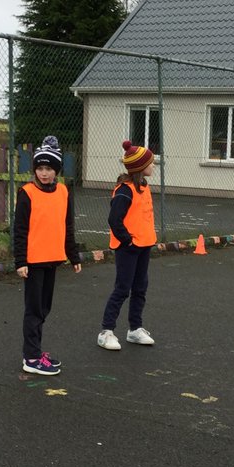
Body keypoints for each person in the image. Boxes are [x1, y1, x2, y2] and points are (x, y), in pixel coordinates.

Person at [13, 135, 82, 375]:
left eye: (49, 168)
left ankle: (36, 350)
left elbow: (67, 226)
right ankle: (30, 357)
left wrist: (74, 256)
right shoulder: (27, 193)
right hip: (32, 262)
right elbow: (20, 230)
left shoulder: (63, 192)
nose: (44, 173)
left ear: (57, 171)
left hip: (53, 259)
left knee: (44, 308)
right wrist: (20, 261)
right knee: (33, 310)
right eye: (40, 168)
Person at [98, 140, 157, 351]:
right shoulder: (125, 190)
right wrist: (127, 240)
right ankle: (106, 331)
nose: (153, 165)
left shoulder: (143, 186)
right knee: (123, 288)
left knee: (140, 287)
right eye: (150, 162)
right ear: (140, 167)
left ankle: (135, 329)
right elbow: (114, 219)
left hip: (144, 245)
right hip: (128, 247)